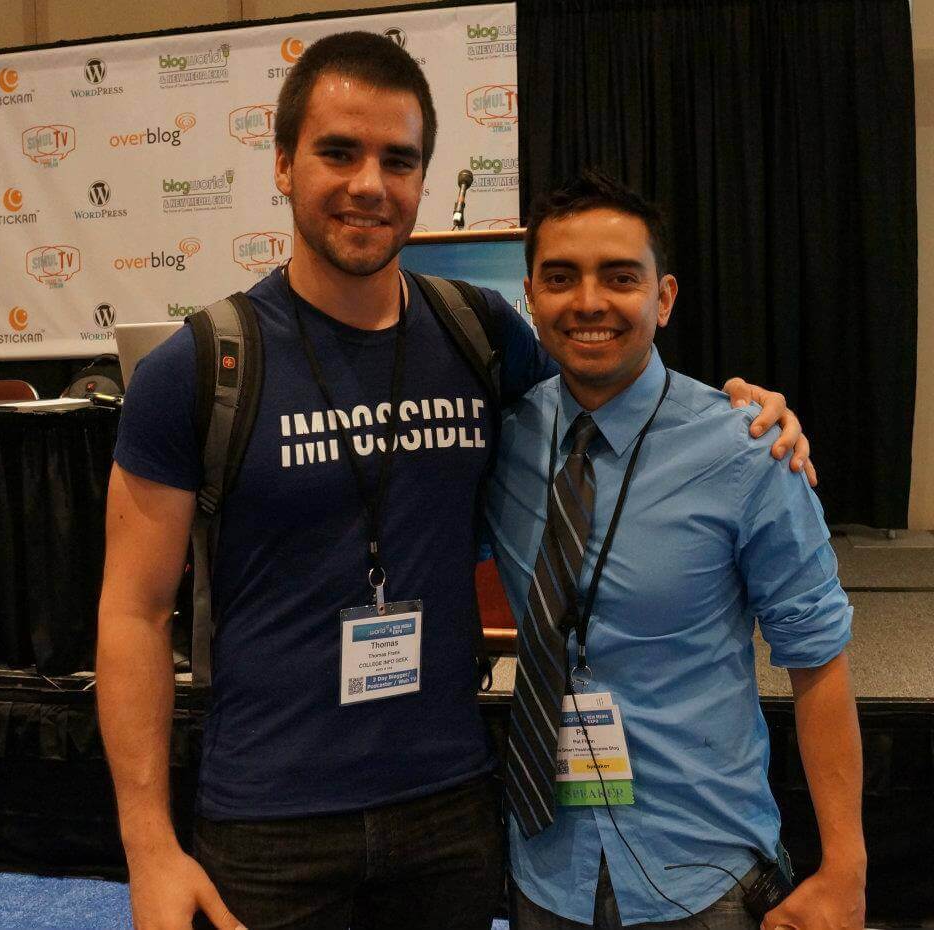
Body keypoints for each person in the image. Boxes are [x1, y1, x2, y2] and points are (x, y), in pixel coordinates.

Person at [96, 33, 812, 930]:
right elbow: (131, 613)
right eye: (338, 152)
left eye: (399, 160)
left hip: (452, 808)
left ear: (422, 179)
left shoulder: (479, 337)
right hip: (268, 823)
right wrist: (148, 846)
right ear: (282, 164)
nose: (369, 183)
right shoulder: (198, 369)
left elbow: (613, 402)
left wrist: (746, 407)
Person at [485, 170, 866, 930]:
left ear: (662, 298)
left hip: (699, 874)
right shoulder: (505, 439)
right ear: (531, 295)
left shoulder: (750, 450)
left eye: (619, 277)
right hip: (541, 867)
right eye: (561, 278)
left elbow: (818, 661)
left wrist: (844, 870)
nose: (588, 301)